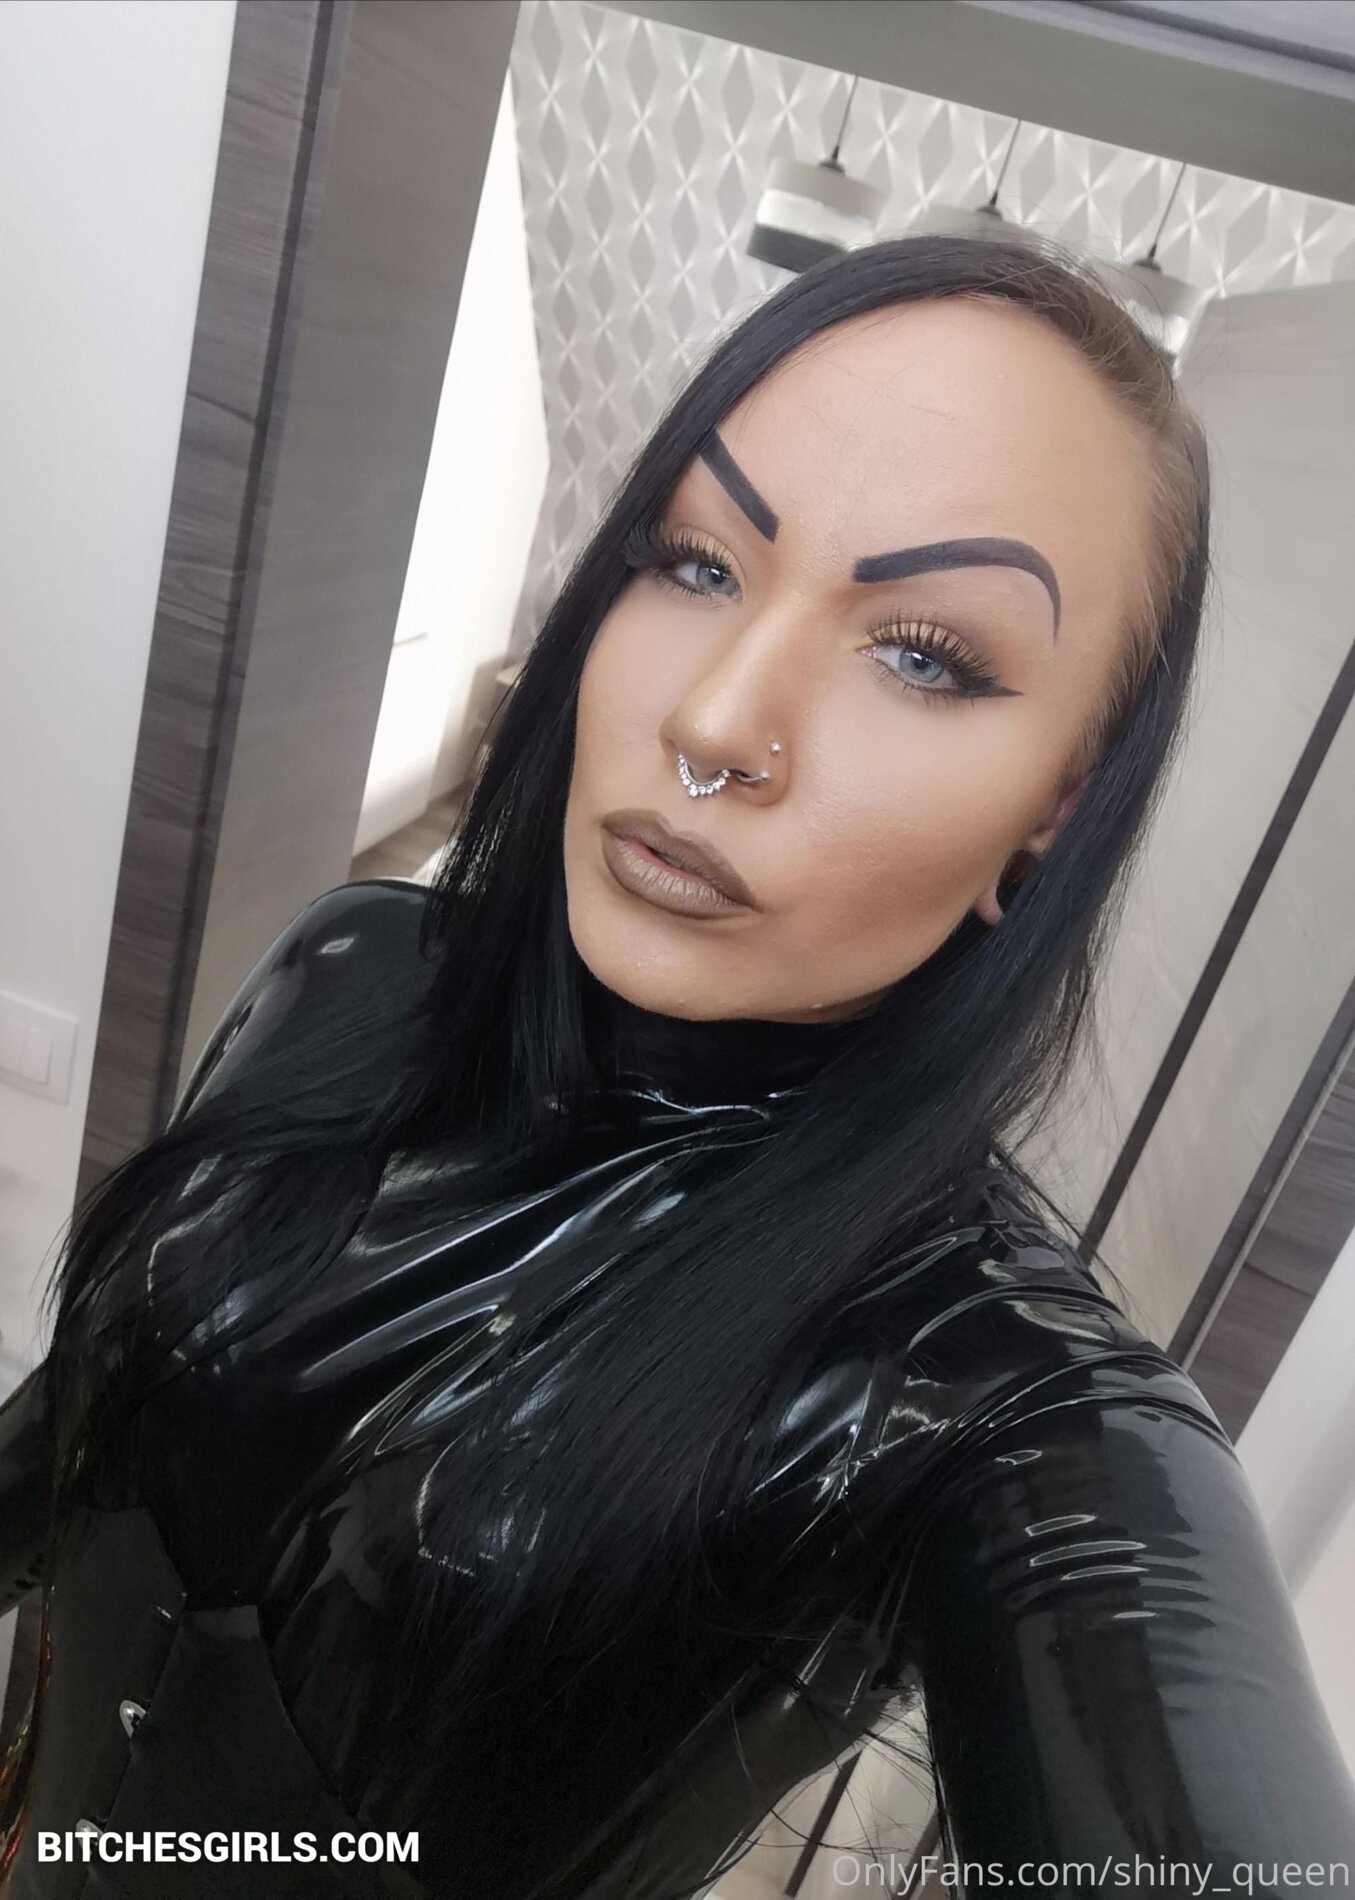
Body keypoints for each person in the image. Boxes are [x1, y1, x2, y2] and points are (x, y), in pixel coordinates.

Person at [1, 233, 1353, 1900]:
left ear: (1056, 810)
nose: (716, 723)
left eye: (924, 655)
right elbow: (76, 1437)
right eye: (698, 562)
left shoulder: (979, 1390)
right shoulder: (355, 968)